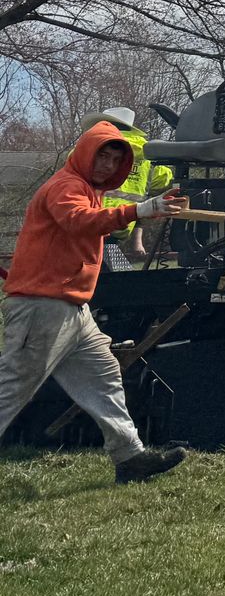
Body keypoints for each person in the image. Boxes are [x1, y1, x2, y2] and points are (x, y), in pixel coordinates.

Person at [0, 120, 189, 482]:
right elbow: (79, 221)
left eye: (114, 160)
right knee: (11, 388)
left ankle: (130, 457)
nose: (106, 165)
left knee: (104, 376)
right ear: (86, 153)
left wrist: (151, 206)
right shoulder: (66, 186)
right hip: (44, 307)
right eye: (102, 156)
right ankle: (130, 456)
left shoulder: (90, 189)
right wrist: (142, 211)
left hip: (72, 308)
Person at [92, 107, 174, 263]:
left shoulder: (97, 148)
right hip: (120, 228)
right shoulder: (148, 157)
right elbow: (165, 178)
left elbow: (74, 162)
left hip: (93, 223)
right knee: (113, 274)